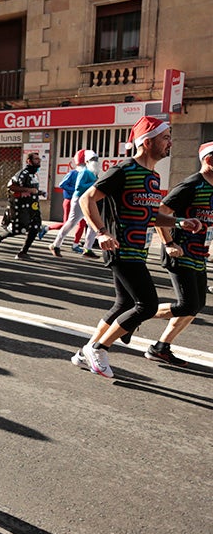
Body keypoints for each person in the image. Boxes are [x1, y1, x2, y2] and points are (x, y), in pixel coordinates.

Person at [73, 117, 201, 378]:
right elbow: (88, 199)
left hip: (137, 250)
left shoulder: (153, 177)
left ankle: (83, 351)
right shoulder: (124, 169)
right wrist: (101, 232)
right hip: (120, 248)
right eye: (165, 138)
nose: (170, 143)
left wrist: (179, 221)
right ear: (147, 141)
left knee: (123, 304)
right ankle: (98, 348)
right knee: (147, 305)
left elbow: (150, 216)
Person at [142, 141, 213, 366]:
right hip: (179, 251)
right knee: (187, 305)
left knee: (197, 304)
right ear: (209, 161)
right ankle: (132, 315)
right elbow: (159, 213)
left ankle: (161, 347)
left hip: (198, 253)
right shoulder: (191, 185)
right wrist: (169, 243)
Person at [0, 152, 45, 259]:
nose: (38, 161)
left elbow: (31, 189)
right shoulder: (22, 173)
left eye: (39, 159)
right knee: (18, 229)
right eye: (36, 159)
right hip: (22, 207)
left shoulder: (33, 174)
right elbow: (11, 186)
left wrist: (39, 192)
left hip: (33, 207)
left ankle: (23, 252)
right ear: (29, 161)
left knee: (35, 227)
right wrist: (29, 190)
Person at [49, 150, 99, 258]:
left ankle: (88, 249)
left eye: (96, 159)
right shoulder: (84, 172)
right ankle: (55, 244)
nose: (95, 161)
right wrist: (94, 184)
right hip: (79, 200)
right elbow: (79, 186)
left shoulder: (93, 172)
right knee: (71, 222)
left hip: (88, 200)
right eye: (93, 159)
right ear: (86, 161)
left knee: (92, 224)